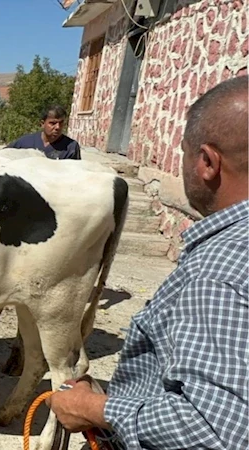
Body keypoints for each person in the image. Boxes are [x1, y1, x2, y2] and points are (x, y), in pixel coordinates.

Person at [46, 75, 249, 449]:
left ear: (207, 161)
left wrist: (95, 410)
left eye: (184, 152)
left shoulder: (219, 271)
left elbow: (218, 432)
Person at [8, 105, 81, 160]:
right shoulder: (25, 142)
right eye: (53, 123)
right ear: (42, 124)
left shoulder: (71, 147)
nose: (58, 127)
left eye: (61, 123)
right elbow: (4, 156)